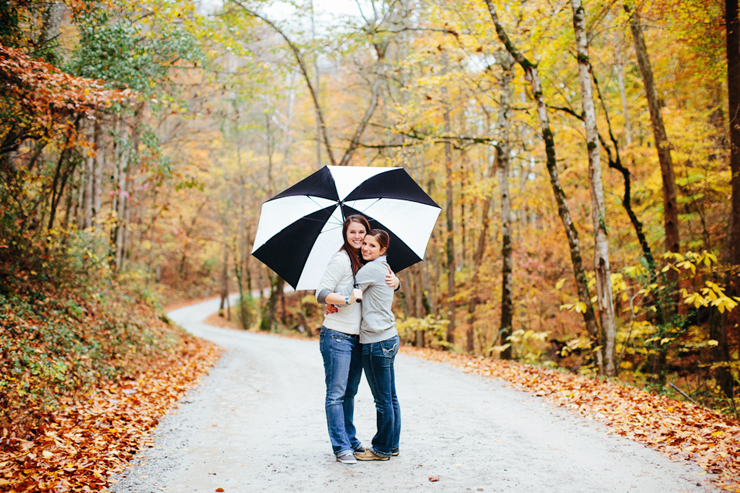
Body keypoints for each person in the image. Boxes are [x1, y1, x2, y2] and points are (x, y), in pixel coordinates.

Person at [315, 215, 399, 465]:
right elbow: (321, 293)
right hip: (337, 334)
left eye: (362, 232)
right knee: (337, 394)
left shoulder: (364, 260)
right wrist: (341, 300)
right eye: (353, 232)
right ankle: (341, 447)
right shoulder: (341, 259)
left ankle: (351, 440)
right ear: (345, 233)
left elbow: (380, 284)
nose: (358, 237)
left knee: (350, 392)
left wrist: (397, 283)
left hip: (359, 338)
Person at [347, 230, 401, 461]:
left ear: (383, 250)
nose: (365, 248)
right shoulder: (385, 268)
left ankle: (380, 449)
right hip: (389, 337)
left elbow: (351, 294)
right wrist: (398, 283)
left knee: (382, 400)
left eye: (372, 246)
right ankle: (392, 445)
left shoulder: (368, 270)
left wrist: (331, 299)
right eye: (364, 244)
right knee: (390, 397)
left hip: (376, 341)